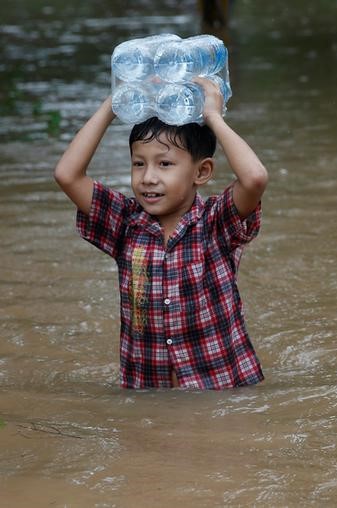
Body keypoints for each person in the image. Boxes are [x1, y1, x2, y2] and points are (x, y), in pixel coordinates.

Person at [54, 78, 268, 390]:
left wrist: (213, 117)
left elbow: (255, 178)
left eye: (165, 164)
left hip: (221, 388)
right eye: (138, 164)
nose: (148, 178)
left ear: (202, 172)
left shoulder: (215, 222)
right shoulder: (126, 224)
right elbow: (67, 174)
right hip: (147, 393)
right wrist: (111, 106)